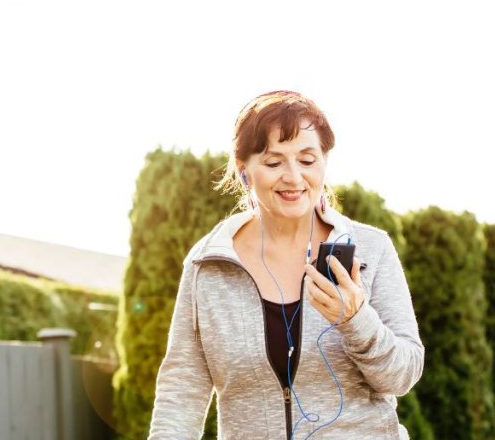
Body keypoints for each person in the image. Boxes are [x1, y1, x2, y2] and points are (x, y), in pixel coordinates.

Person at [148, 90, 424, 440]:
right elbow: (181, 390)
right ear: (244, 169)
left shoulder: (370, 250)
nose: (293, 178)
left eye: (307, 161)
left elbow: (403, 376)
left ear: (324, 163)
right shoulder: (208, 266)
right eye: (274, 162)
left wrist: (357, 320)